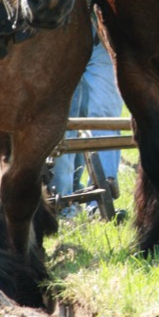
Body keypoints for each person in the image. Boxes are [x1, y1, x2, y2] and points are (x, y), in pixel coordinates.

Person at [48, 28, 122, 217]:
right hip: (61, 30)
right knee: (65, 116)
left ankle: (100, 201)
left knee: (105, 114)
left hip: (105, 33)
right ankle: (63, 202)